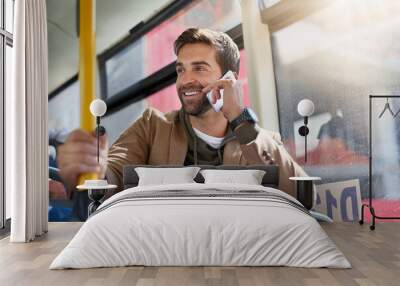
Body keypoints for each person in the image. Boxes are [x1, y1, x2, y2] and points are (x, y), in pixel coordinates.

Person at [57, 28, 306, 212]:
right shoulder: (152, 125)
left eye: (198, 68)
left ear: (229, 79)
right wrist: (95, 171)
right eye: (180, 69)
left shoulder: (259, 140)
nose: (185, 80)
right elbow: (116, 169)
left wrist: (239, 117)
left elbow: (296, 194)